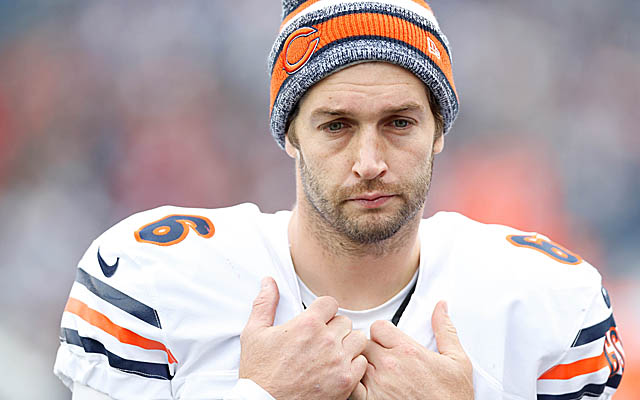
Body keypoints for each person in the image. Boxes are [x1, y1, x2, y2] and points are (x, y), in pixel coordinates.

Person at [54, 1, 625, 399]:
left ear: (440, 130)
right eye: (337, 125)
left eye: (400, 122)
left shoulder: (548, 301)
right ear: (289, 134)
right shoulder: (152, 279)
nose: (370, 160)